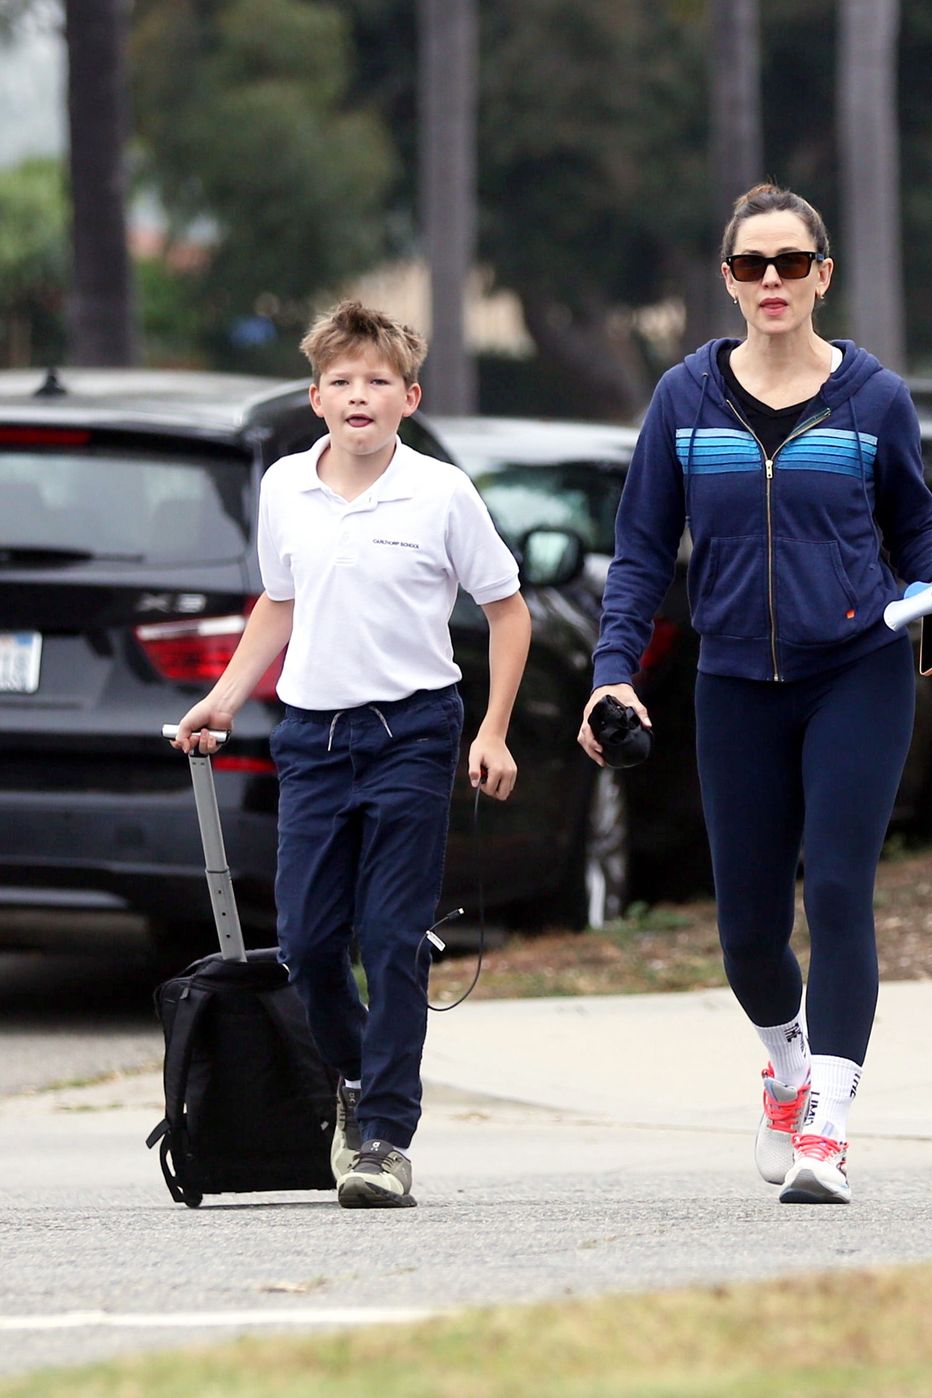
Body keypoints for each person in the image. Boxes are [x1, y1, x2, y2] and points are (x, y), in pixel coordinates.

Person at [578, 184, 932, 1205]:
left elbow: (915, 527)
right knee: (748, 930)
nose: (769, 282)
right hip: (732, 682)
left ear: (820, 277)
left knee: (836, 892)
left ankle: (828, 1132)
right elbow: (635, 553)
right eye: (750, 265)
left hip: (856, 670)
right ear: (726, 281)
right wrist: (610, 672)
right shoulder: (683, 400)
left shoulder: (873, 398)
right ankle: (788, 1076)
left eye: (788, 264)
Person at [174, 300, 531, 1209]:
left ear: (408, 397)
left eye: (378, 381)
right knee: (306, 942)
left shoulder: (442, 493)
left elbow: (506, 610)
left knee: (391, 935)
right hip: (312, 736)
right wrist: (221, 698)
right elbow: (278, 604)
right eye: (341, 381)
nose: (358, 395)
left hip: (412, 730)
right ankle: (357, 1074)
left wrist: (490, 731)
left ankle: (384, 1139)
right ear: (316, 397)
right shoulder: (285, 487)